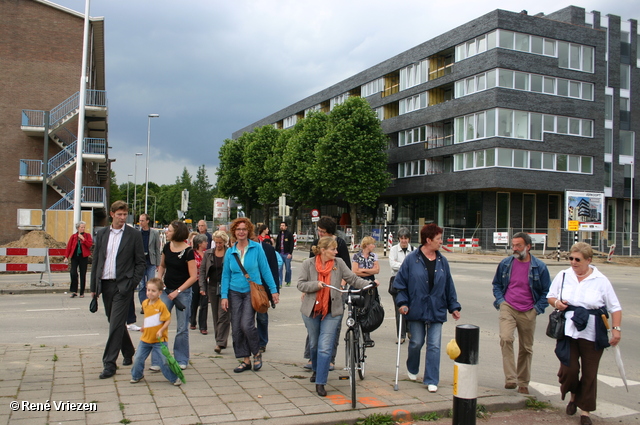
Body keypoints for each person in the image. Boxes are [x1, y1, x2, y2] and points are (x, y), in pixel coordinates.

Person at [547, 242, 622, 425]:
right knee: (570, 370)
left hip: (593, 332)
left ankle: (585, 411)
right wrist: (557, 304)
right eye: (571, 258)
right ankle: (573, 396)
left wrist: (616, 329)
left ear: (588, 260)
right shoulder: (563, 275)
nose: (573, 263)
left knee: (590, 373)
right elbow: (550, 296)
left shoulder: (601, 280)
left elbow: (615, 307)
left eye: (577, 260)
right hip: (568, 331)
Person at [298, 236, 378, 397]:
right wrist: (316, 285)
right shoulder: (308, 264)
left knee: (325, 347)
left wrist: (369, 284)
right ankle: (316, 369)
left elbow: (353, 279)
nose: (336, 251)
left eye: (336, 249)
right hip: (311, 311)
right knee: (314, 344)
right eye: (333, 249)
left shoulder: (339, 263)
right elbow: (300, 284)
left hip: (332, 311)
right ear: (323, 250)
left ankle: (321, 381)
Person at [393, 223, 461, 393]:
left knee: (434, 345)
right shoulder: (411, 259)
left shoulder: (442, 261)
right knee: (416, 342)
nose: (441, 242)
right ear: (428, 240)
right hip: (416, 307)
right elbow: (400, 284)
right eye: (438, 239)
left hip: (436, 308)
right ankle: (412, 366)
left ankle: (431, 379)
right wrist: (403, 303)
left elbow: (448, 286)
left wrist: (453, 306)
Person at [90, 200, 146, 379]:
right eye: (119, 214)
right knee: (114, 322)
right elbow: (97, 260)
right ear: (112, 215)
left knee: (115, 323)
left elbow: (140, 262)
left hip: (123, 286)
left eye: (125, 215)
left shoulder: (133, 234)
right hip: (105, 284)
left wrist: (132, 283)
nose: (123, 218)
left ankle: (109, 363)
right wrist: (94, 287)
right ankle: (128, 351)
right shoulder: (103, 233)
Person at [491, 232, 551, 395]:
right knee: (506, 338)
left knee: (526, 347)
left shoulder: (540, 267)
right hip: (508, 307)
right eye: (513, 245)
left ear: (528, 247)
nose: (515, 249)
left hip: (528, 310)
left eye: (518, 245)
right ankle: (511, 378)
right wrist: (501, 301)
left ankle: (523, 382)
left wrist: (537, 309)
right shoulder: (506, 264)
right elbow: (496, 284)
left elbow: (548, 291)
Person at [221, 218, 279, 373]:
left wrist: (273, 290)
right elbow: (225, 275)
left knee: (247, 324)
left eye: (244, 229)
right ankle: (245, 359)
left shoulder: (256, 248)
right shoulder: (230, 251)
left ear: (249, 231)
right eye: (238, 229)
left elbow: (265, 270)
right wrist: (224, 295)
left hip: (251, 292)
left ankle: (256, 353)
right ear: (234, 231)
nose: (241, 232)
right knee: (237, 327)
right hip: (234, 291)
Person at [303, 216, 351, 370]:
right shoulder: (316, 244)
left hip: (335, 290)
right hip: (317, 289)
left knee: (333, 327)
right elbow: (310, 269)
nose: (320, 234)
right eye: (318, 231)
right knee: (313, 323)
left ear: (330, 233)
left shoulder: (340, 244)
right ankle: (312, 358)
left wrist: (341, 286)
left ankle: (330, 359)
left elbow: (347, 269)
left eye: (323, 232)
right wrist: (307, 289)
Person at [152, 220, 197, 371]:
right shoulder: (166, 247)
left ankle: (181, 358)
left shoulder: (189, 252)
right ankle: (158, 360)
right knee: (158, 323)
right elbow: (162, 265)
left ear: (177, 233)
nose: (166, 232)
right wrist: (159, 280)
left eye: (169, 230)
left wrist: (178, 291)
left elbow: (193, 276)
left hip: (182, 292)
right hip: (166, 290)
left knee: (182, 327)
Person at [130, 278, 182, 386]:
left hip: (159, 341)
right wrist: (144, 326)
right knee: (138, 358)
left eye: (153, 291)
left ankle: (174, 378)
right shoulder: (145, 303)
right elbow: (148, 318)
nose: (150, 293)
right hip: (146, 339)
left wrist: (161, 330)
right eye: (148, 290)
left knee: (164, 361)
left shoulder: (161, 305)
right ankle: (137, 375)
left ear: (159, 293)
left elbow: (167, 320)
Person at [199, 230, 231, 353]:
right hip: (212, 286)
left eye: (220, 243)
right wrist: (202, 287)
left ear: (225, 242)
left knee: (224, 314)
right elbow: (202, 271)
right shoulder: (208, 254)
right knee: (215, 314)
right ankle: (220, 339)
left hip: (226, 287)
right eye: (216, 242)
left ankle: (220, 342)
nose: (218, 245)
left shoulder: (230, 253)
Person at [352, 236, 380, 347]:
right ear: (367, 245)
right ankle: (355, 331)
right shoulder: (356, 256)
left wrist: (362, 270)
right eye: (372, 244)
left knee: (368, 307)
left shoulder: (374, 256)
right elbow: (355, 272)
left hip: (371, 284)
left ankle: (367, 334)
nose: (374, 246)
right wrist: (368, 272)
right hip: (358, 283)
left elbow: (377, 270)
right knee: (356, 306)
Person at [388, 227, 414, 344]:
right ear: (398, 239)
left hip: (411, 283)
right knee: (399, 309)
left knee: (411, 308)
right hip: (397, 282)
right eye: (401, 238)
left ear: (409, 239)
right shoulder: (393, 249)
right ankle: (401, 335)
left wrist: (404, 266)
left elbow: (416, 265)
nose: (404, 241)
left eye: (406, 238)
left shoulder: (414, 250)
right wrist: (406, 265)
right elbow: (393, 265)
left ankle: (409, 331)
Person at [256, 234, 281, 353]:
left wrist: (275, 291)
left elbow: (274, 270)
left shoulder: (268, 249)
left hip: (264, 289)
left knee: (262, 317)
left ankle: (262, 342)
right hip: (248, 287)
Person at [137, 213, 161, 308]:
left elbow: (157, 248)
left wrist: (158, 263)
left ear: (147, 221)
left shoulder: (154, 233)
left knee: (151, 284)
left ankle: (151, 303)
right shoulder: (138, 233)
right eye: (140, 220)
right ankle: (144, 305)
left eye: (143, 220)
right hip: (140, 262)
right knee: (142, 285)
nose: (141, 222)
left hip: (151, 261)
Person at [63, 221, 93, 298]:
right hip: (74, 256)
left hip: (83, 257)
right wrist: (66, 256)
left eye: (84, 227)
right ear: (78, 228)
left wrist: (83, 239)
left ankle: (82, 292)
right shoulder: (73, 236)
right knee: (73, 273)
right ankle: (74, 291)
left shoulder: (87, 235)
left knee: (83, 274)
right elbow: (69, 246)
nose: (83, 229)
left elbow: (89, 244)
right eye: (81, 227)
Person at [190, 234, 209, 334]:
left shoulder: (207, 253)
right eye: (205, 242)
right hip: (194, 280)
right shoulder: (192, 254)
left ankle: (203, 326)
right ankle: (192, 320)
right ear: (199, 244)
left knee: (204, 304)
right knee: (194, 302)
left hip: (205, 280)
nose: (207, 243)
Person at [275, 221, 294, 286]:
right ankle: (280, 282)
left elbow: (292, 244)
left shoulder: (289, 234)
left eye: (283, 225)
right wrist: (276, 252)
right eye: (281, 225)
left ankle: (288, 281)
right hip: (280, 253)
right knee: (279, 268)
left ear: (286, 227)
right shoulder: (279, 234)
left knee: (288, 269)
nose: (281, 227)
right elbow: (277, 243)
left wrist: (290, 253)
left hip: (287, 254)